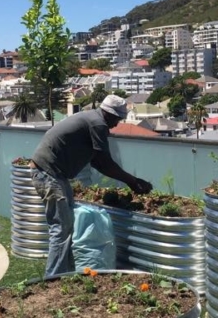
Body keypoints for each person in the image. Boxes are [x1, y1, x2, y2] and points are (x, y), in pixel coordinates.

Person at [30, 94, 153, 277]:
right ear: (110, 114)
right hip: (49, 174)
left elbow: (96, 161)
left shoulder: (92, 119)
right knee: (61, 229)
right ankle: (52, 280)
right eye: (117, 119)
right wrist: (132, 181)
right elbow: (105, 162)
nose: (116, 124)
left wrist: (130, 180)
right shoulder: (98, 124)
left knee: (66, 226)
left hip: (54, 174)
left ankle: (65, 274)